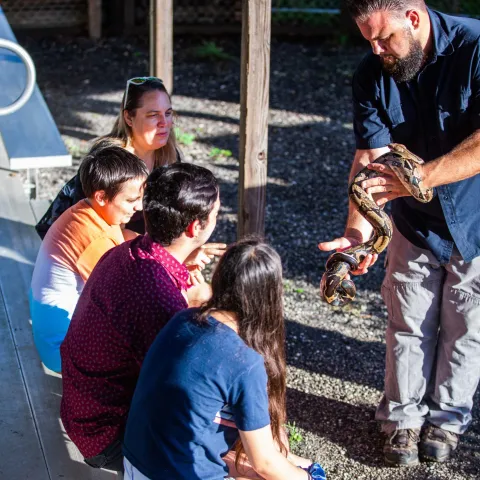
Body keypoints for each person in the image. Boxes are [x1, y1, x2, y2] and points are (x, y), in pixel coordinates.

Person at [319, 0, 480, 467]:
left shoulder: (475, 48)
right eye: (366, 38)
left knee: (466, 326)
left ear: (413, 17)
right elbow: (369, 161)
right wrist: (356, 234)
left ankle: (447, 421)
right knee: (407, 321)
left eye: (383, 37)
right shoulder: (371, 73)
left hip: (475, 215)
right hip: (411, 222)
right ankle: (401, 422)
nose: (375, 48)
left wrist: (421, 178)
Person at [60, 163, 225, 475]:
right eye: (216, 214)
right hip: (108, 437)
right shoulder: (160, 301)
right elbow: (181, 391)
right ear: (194, 228)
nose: (218, 219)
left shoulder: (130, 252)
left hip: (82, 412)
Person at [122, 238, 324, 480]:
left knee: (293, 463)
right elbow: (265, 463)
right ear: (270, 297)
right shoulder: (244, 361)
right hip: (178, 472)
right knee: (301, 472)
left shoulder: (184, 318)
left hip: (137, 462)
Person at [29, 145, 147, 372]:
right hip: (61, 348)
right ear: (101, 196)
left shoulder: (87, 209)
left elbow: (125, 240)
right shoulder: (92, 238)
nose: (139, 206)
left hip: (53, 329)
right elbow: (125, 298)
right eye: (132, 199)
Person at [36, 76, 181, 238]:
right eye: (153, 115)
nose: (164, 122)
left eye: (168, 113)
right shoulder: (108, 159)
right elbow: (96, 232)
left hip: (139, 247)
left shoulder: (170, 156)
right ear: (128, 118)